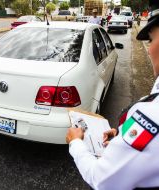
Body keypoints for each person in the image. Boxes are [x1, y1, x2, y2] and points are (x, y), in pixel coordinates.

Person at [66, 0, 159, 189]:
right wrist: (120, 136)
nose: (149, 49)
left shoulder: (152, 117)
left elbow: (101, 179)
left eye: (151, 40)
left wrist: (75, 142)